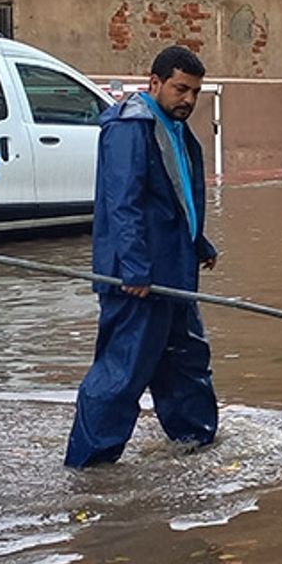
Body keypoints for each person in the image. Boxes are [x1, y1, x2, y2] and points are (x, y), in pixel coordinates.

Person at [65, 46, 219, 468]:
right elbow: (123, 202)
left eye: (195, 92)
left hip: (175, 274)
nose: (188, 99)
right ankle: (89, 468)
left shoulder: (174, 129)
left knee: (186, 365)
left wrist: (198, 242)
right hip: (139, 281)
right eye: (180, 88)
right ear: (155, 83)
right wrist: (133, 267)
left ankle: (196, 446)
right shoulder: (130, 127)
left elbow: (177, 198)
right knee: (122, 372)